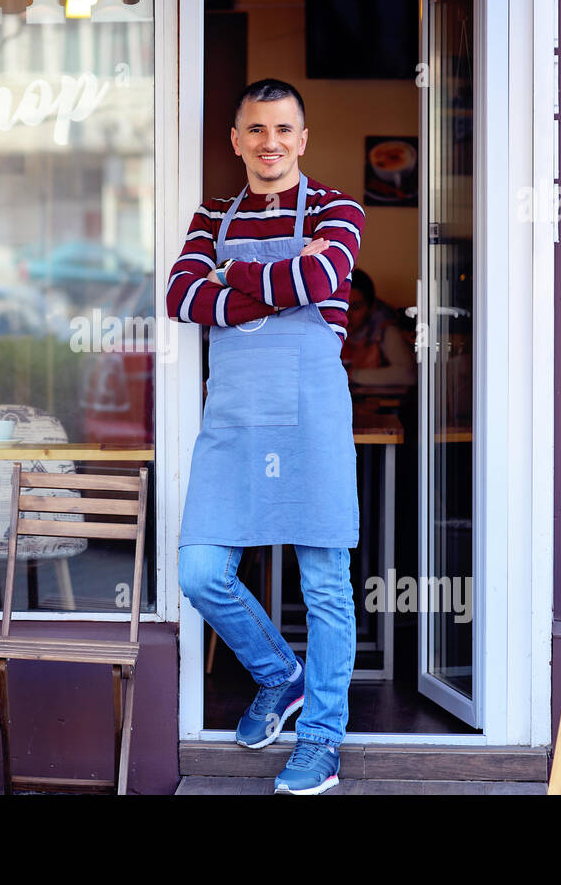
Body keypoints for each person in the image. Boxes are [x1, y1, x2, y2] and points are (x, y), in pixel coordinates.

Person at [166, 78, 364, 795]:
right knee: (198, 572)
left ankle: (323, 741)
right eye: (256, 129)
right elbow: (181, 295)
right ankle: (282, 674)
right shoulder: (212, 213)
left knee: (326, 586)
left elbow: (325, 271)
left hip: (311, 417)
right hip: (235, 422)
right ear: (236, 139)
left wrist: (235, 275)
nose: (270, 142)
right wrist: (281, 279)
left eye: (283, 129)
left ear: (303, 138)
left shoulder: (338, 208)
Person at [342, 268, 416, 388]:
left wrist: (352, 375)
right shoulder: (332, 329)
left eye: (356, 308)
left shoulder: (386, 330)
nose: (347, 315)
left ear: (371, 307)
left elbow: (408, 374)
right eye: (343, 307)